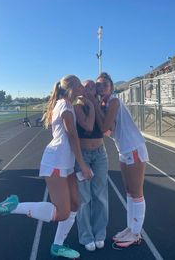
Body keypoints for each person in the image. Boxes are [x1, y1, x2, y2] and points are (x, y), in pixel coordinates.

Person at [0, 75, 93, 259]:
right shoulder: (65, 106)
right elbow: (72, 137)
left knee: (75, 203)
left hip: (65, 162)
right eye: (81, 86)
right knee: (62, 213)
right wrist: (82, 165)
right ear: (73, 88)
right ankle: (12, 206)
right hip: (56, 162)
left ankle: (57, 246)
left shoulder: (66, 104)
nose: (84, 89)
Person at [91, 72, 149, 248]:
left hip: (134, 148)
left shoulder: (114, 101)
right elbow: (110, 131)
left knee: (137, 192)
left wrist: (94, 105)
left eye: (104, 84)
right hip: (123, 150)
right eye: (98, 84)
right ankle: (130, 228)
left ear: (111, 87)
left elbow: (104, 127)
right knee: (129, 191)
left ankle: (136, 233)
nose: (101, 87)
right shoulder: (104, 104)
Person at [74, 80, 108, 251]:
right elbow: (87, 126)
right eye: (85, 86)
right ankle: (86, 236)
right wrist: (92, 106)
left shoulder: (101, 105)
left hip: (100, 154)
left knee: (101, 196)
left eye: (91, 86)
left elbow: (106, 127)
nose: (88, 89)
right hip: (83, 155)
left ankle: (100, 233)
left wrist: (96, 105)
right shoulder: (77, 107)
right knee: (84, 198)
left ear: (95, 90)